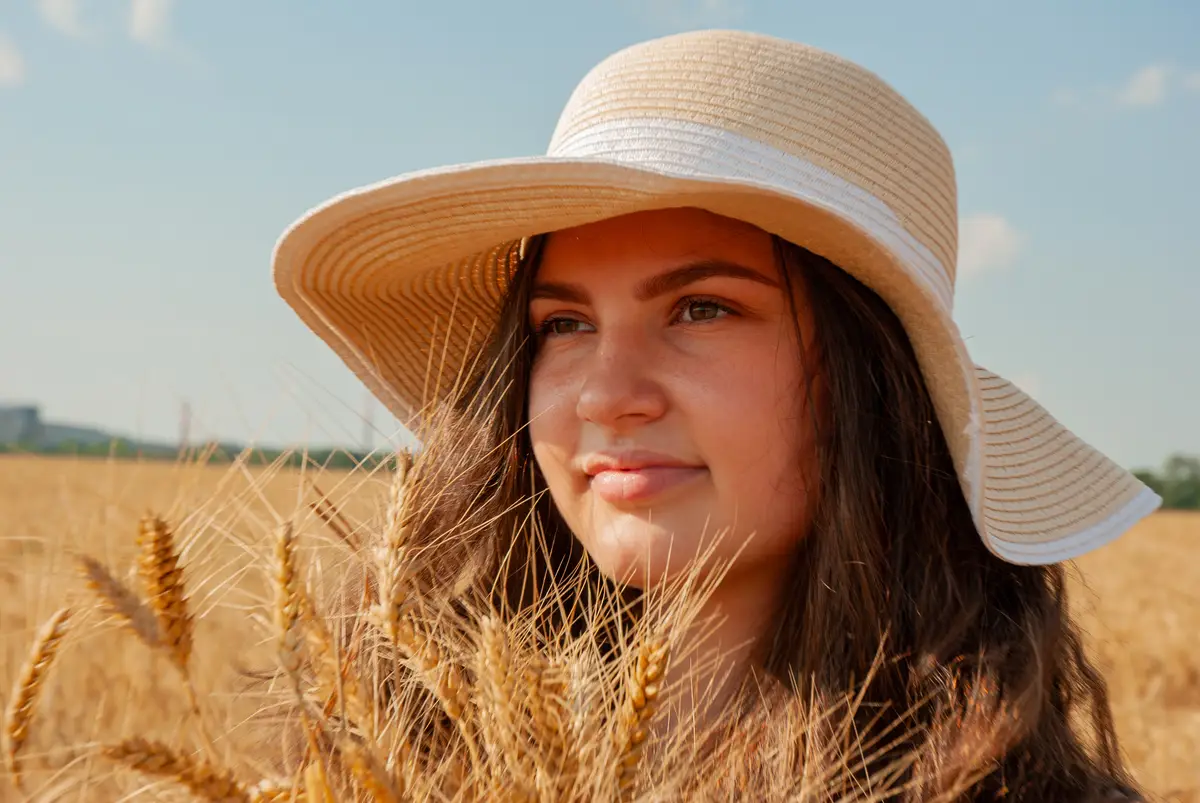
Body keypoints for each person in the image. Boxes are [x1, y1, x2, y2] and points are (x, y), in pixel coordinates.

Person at [271, 29, 1158, 801]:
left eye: (702, 308)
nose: (606, 393)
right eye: (564, 324)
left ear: (874, 381)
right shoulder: (387, 764)